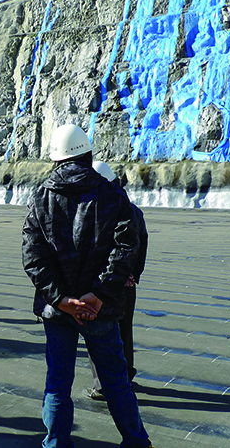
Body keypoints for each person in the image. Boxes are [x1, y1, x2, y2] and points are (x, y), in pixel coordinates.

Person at [22, 124, 153, 448]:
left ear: (55, 160)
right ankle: (137, 443)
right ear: (87, 153)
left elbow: (33, 255)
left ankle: (55, 444)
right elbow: (126, 248)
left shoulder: (41, 196)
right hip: (100, 311)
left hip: (58, 311)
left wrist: (61, 299)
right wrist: (99, 294)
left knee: (57, 383)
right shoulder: (111, 194)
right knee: (116, 383)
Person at [83, 161, 148, 402]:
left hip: (102, 284)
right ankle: (126, 375)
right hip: (126, 284)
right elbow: (140, 245)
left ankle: (102, 385)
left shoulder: (93, 210)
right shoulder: (133, 210)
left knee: (98, 333)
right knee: (124, 331)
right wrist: (133, 275)